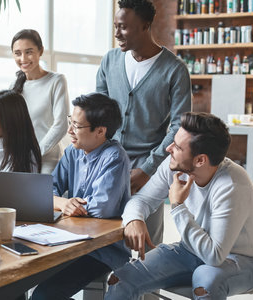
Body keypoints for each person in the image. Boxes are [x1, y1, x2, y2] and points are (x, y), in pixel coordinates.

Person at [105, 112, 253, 300]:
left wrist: (177, 206)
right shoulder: (174, 164)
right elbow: (141, 199)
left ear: (200, 160)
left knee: (206, 279)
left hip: (244, 261)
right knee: (120, 278)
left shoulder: (231, 185)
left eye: (177, 146)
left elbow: (214, 257)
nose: (168, 149)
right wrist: (134, 219)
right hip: (191, 251)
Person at [96, 0, 192, 246]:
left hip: (150, 164)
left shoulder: (175, 69)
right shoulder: (109, 61)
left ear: (145, 26)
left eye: (124, 27)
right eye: (116, 26)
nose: (117, 33)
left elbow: (179, 127)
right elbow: (98, 113)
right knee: (100, 237)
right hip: (109, 160)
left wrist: (149, 168)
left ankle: (145, 284)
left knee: (145, 244)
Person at [31, 93, 131, 300]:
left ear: (100, 131)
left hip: (101, 250)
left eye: (76, 126)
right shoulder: (72, 153)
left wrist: (61, 204)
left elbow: (102, 208)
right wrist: (63, 203)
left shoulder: (115, 156)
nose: (69, 131)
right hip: (68, 243)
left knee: (44, 295)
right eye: (70, 122)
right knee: (15, 282)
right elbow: (46, 191)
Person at [11, 29, 69, 174]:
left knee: (42, 196)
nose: (23, 58)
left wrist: (35, 153)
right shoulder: (13, 86)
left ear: (41, 51)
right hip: (19, 158)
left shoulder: (56, 81)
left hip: (48, 159)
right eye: (17, 53)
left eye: (29, 52)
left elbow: (61, 124)